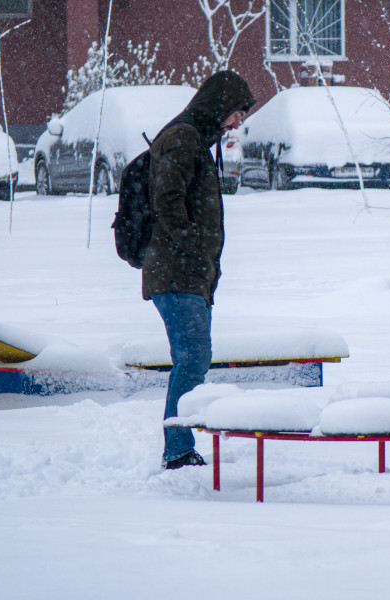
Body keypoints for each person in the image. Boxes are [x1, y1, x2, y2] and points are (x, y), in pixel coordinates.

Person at [142, 71, 255, 470]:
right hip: (176, 273)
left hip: (186, 274)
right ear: (218, 106)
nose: (239, 122)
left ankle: (179, 445)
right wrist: (194, 249)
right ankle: (177, 448)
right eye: (237, 112)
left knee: (192, 357)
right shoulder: (183, 137)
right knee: (193, 357)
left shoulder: (194, 139)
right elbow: (167, 199)